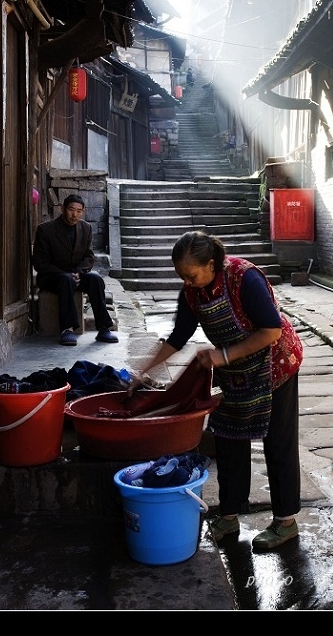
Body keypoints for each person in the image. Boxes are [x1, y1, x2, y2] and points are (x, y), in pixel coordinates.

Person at [127, 230, 303, 551]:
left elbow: (271, 330)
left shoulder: (244, 278)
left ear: (211, 264)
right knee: (228, 440)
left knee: (277, 443)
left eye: (191, 275)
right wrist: (144, 372)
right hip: (236, 371)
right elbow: (179, 336)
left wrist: (220, 356)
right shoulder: (192, 292)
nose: (187, 282)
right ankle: (230, 515)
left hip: (275, 365)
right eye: (181, 276)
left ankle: (285, 523)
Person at [32, 194, 119, 347]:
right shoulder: (46, 230)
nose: (75, 214)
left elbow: (89, 257)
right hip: (52, 277)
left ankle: (104, 327)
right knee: (66, 280)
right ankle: (67, 329)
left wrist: (79, 272)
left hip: (76, 274)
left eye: (79, 211)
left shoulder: (85, 228)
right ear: (63, 209)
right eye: (71, 210)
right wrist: (64, 274)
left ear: (83, 212)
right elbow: (41, 263)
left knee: (95, 279)